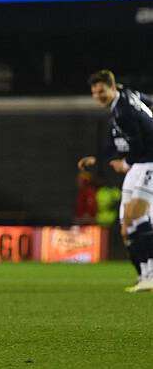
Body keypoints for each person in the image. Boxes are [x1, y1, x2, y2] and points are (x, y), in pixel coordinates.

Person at [77, 70, 153, 292]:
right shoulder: (127, 96)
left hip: (148, 163)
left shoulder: (123, 112)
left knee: (137, 218)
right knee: (126, 224)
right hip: (140, 164)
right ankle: (144, 276)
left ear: (111, 88)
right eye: (94, 92)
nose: (97, 95)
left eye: (101, 91)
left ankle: (150, 275)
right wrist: (99, 159)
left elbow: (137, 143)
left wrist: (125, 164)